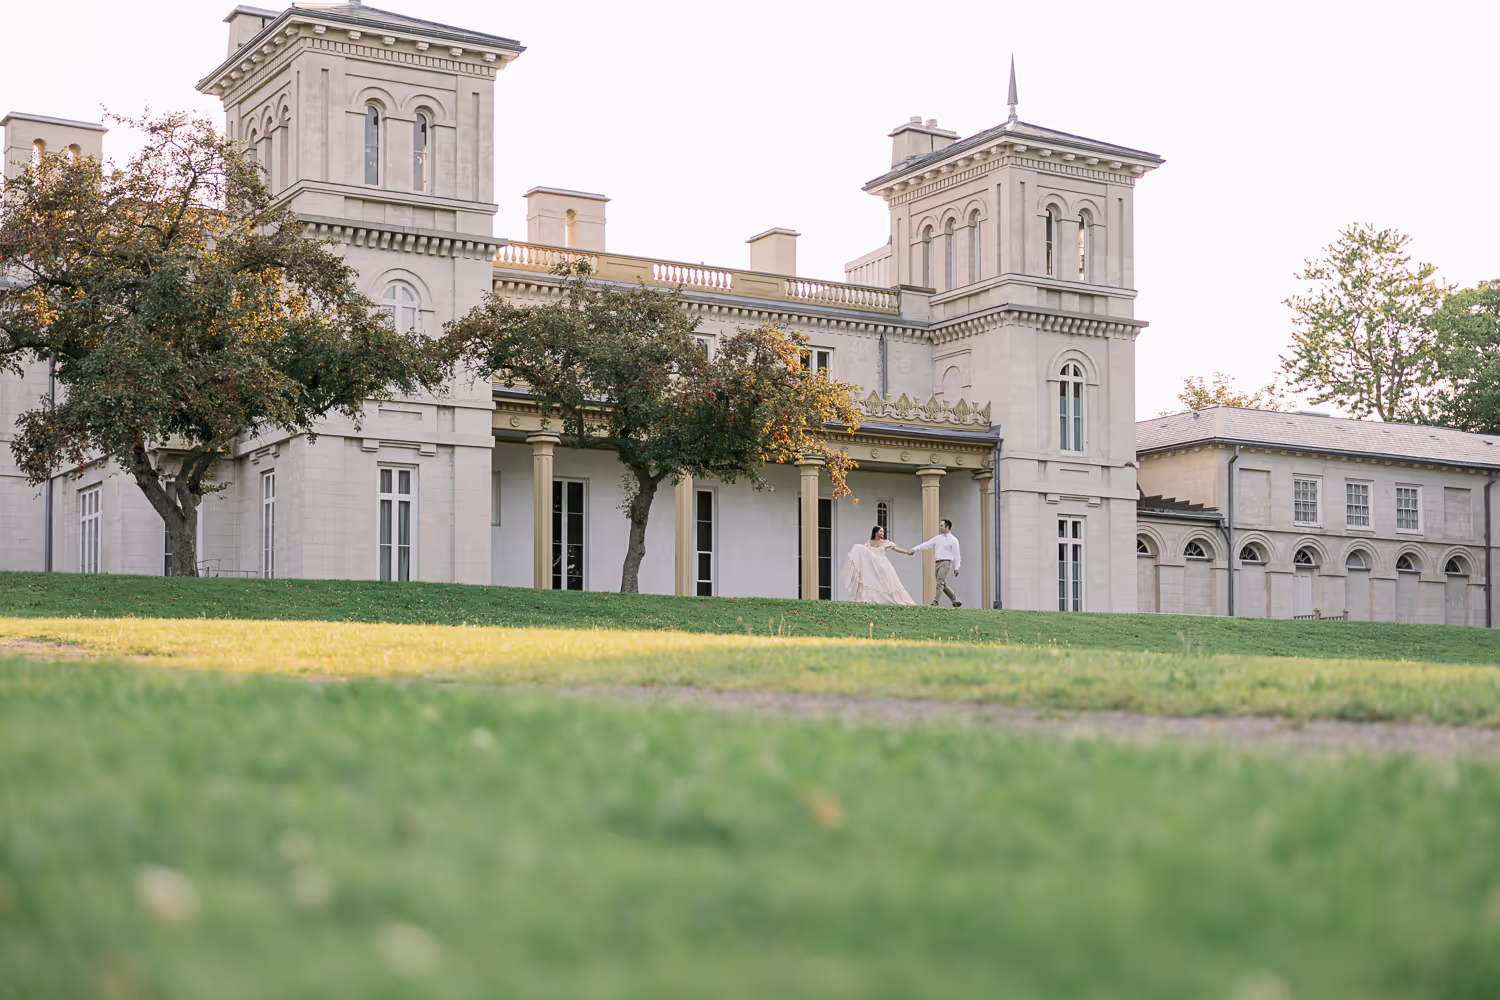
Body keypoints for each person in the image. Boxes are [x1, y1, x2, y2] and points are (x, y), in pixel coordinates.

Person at [840, 525, 917, 605]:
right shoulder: (869, 543)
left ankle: (898, 600)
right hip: (874, 566)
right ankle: (876, 599)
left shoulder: (885, 542)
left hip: (884, 566)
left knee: (890, 583)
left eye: (883, 531)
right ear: (876, 532)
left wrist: (907, 552)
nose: (882, 533)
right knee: (874, 582)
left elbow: (896, 549)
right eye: (881, 531)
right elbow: (864, 552)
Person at [911, 519, 962, 607]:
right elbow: (927, 544)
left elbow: (957, 555)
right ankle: (955, 600)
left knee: (940, 583)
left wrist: (956, 567)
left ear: (947, 527)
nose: (940, 527)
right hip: (937, 563)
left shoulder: (954, 540)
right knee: (942, 583)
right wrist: (915, 549)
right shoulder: (938, 538)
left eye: (942, 526)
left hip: (946, 563)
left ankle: (935, 602)